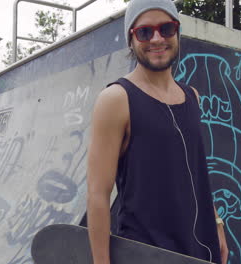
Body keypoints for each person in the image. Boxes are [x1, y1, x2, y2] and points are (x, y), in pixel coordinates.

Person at [86, 0, 228, 263]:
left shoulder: (192, 96)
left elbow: (195, 174)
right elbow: (97, 193)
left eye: (166, 28)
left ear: (177, 32)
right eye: (144, 32)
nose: (156, 39)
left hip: (200, 248)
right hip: (147, 252)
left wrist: (217, 222)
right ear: (131, 39)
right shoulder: (116, 99)